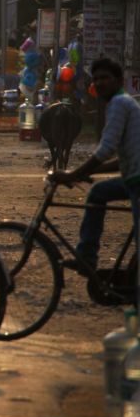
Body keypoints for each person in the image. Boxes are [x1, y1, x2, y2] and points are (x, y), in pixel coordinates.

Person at [52, 58, 140, 278]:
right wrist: (88, 173)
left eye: (105, 78)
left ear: (118, 81)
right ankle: (87, 257)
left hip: (138, 182)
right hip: (132, 176)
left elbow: (106, 149)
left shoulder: (120, 103)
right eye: (96, 79)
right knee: (98, 192)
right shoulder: (123, 103)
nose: (100, 83)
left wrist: (74, 174)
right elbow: (122, 158)